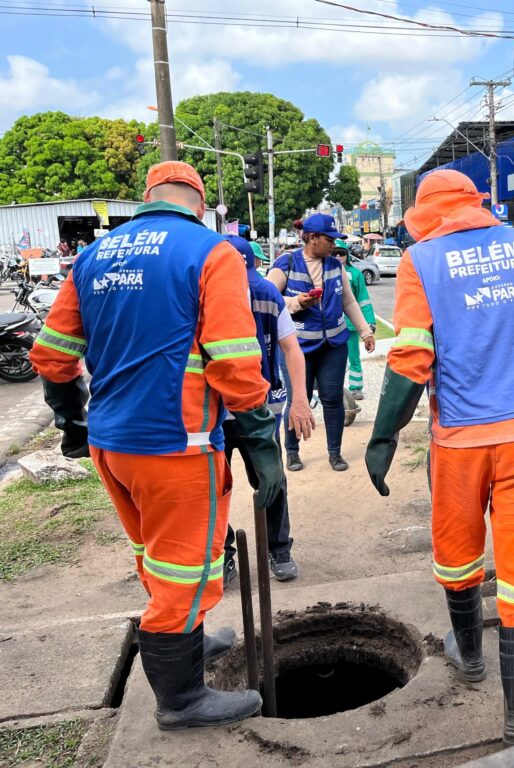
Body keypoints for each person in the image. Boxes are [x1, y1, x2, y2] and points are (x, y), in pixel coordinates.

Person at [30, 161, 276, 729]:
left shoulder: (94, 255)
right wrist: (263, 443)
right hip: (177, 444)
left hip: (112, 443)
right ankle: (181, 700)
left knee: (155, 555)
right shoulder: (211, 251)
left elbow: (52, 354)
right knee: (186, 568)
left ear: (148, 197)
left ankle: (188, 639)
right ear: (200, 203)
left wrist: (71, 423)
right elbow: (236, 360)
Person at [364, 170, 514, 746]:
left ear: (425, 216)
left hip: (459, 440)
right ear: (479, 204)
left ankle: (470, 658)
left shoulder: (421, 260)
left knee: (458, 549)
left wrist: (384, 436)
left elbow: (411, 358)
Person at [221, 236, 315, 584]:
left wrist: (300, 400)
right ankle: (221, 553)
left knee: (271, 478)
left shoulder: (265, 294)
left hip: (260, 410)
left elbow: (291, 348)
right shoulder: (198, 295)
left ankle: (278, 547)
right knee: (210, 487)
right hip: (213, 413)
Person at [266, 213, 374, 472]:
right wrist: (296, 303)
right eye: (330, 239)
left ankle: (335, 453)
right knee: (297, 400)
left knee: (333, 399)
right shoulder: (286, 263)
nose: (334, 245)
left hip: (333, 347)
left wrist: (365, 331)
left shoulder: (335, 265)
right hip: (297, 349)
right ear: (313, 238)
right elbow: (268, 297)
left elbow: (348, 301)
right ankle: (292, 452)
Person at [338, 239, 376, 401]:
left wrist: (370, 322)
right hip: (331, 326)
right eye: (334, 253)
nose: (338, 257)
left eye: (341, 253)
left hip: (350, 325)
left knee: (353, 357)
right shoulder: (323, 270)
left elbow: (363, 300)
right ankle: (334, 389)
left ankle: (356, 388)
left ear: (347, 255)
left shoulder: (355, 274)